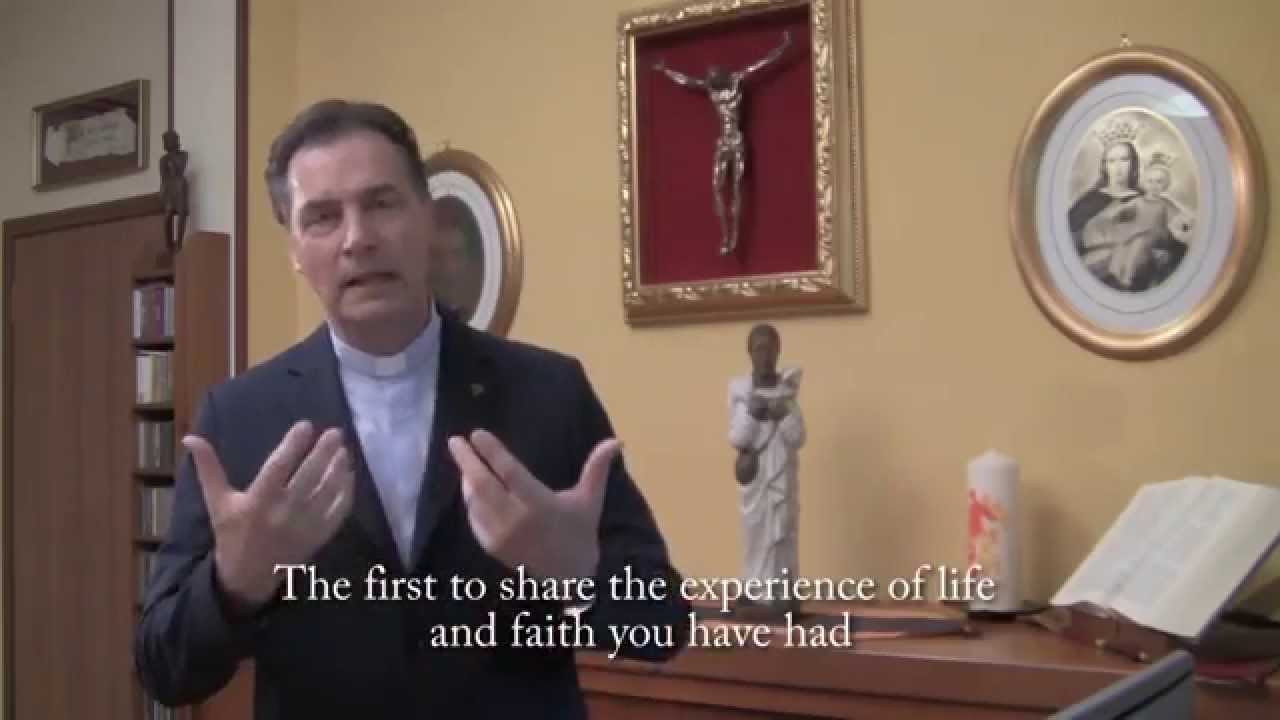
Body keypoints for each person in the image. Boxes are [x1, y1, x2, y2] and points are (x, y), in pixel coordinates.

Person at [134, 99, 689, 718]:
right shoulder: (239, 417)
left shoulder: (549, 392)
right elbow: (163, 667)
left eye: (382, 203)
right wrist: (233, 583)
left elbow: (663, 625)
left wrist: (578, 572)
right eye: (322, 217)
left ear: (428, 217)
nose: (358, 239)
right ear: (293, 248)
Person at [653, 31, 792, 256]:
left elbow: (763, 63)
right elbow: (688, 81)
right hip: (723, 142)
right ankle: (725, 235)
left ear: (722, 76)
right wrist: (665, 70)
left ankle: (734, 235)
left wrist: (783, 47)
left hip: (737, 140)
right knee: (717, 188)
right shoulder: (712, 89)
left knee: (737, 188)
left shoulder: (737, 80)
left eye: (713, 77)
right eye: (710, 79)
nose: (711, 81)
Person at [727, 323, 804, 614]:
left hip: (781, 476)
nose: (765, 355)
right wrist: (751, 413)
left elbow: (798, 437)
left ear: (778, 351)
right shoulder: (740, 393)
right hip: (756, 477)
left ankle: (782, 591)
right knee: (755, 533)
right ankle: (754, 590)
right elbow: (736, 438)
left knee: (781, 533)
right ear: (750, 352)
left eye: (770, 348)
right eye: (759, 348)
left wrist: (783, 415)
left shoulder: (787, 393)